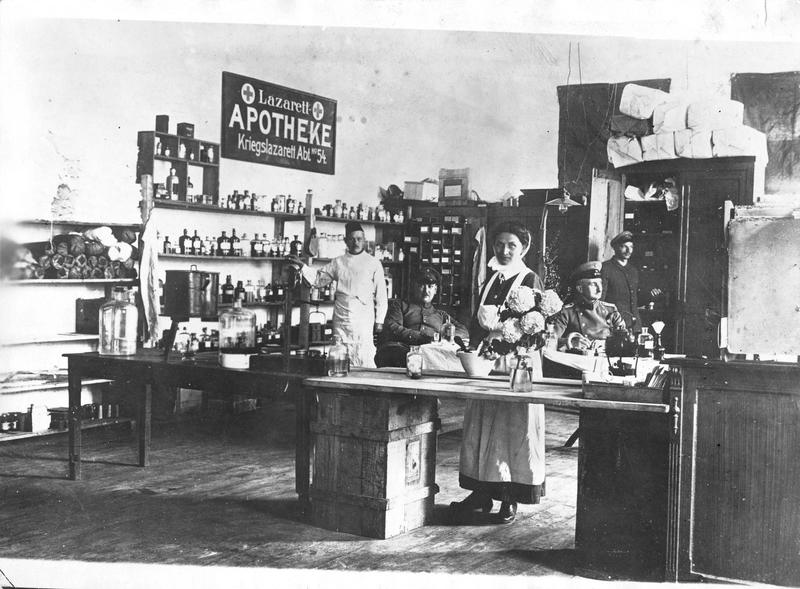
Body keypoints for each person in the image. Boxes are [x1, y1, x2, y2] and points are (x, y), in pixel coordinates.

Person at [451, 221, 545, 525]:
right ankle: (481, 493)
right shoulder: (491, 278)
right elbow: (479, 322)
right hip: (487, 362)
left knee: (511, 430)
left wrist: (510, 346)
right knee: (480, 426)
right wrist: (472, 346)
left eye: (511, 246)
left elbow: (537, 328)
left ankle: (510, 498)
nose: (504, 251)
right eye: (499, 245)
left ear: (524, 248)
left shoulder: (530, 279)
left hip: (516, 364)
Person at [289, 221, 387, 368]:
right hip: (342, 317)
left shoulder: (373, 263)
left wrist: (379, 321)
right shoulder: (338, 263)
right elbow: (318, 279)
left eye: (359, 239)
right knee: (340, 355)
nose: (356, 242)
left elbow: (381, 295)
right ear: (346, 240)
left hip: (363, 318)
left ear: (364, 240)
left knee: (364, 355)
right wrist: (302, 266)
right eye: (352, 239)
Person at [375, 265, 467, 368]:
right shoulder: (400, 305)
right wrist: (422, 337)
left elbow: (463, 331)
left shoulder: (441, 315)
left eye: (430, 287)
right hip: (405, 351)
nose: (426, 291)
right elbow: (393, 326)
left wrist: (444, 337)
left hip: (433, 355)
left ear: (435, 290)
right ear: (414, 286)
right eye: (422, 285)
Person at [549, 261, 626, 352]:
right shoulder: (568, 312)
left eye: (600, 283)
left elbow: (624, 339)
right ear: (580, 288)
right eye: (593, 284)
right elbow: (551, 339)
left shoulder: (611, 310)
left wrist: (605, 344)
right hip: (578, 361)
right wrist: (570, 341)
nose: (599, 289)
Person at [601, 231, 663, 333]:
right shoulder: (606, 268)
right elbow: (600, 302)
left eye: (631, 247)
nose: (628, 250)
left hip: (634, 325)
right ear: (615, 248)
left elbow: (634, 300)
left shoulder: (633, 270)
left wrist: (649, 296)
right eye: (624, 246)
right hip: (615, 325)